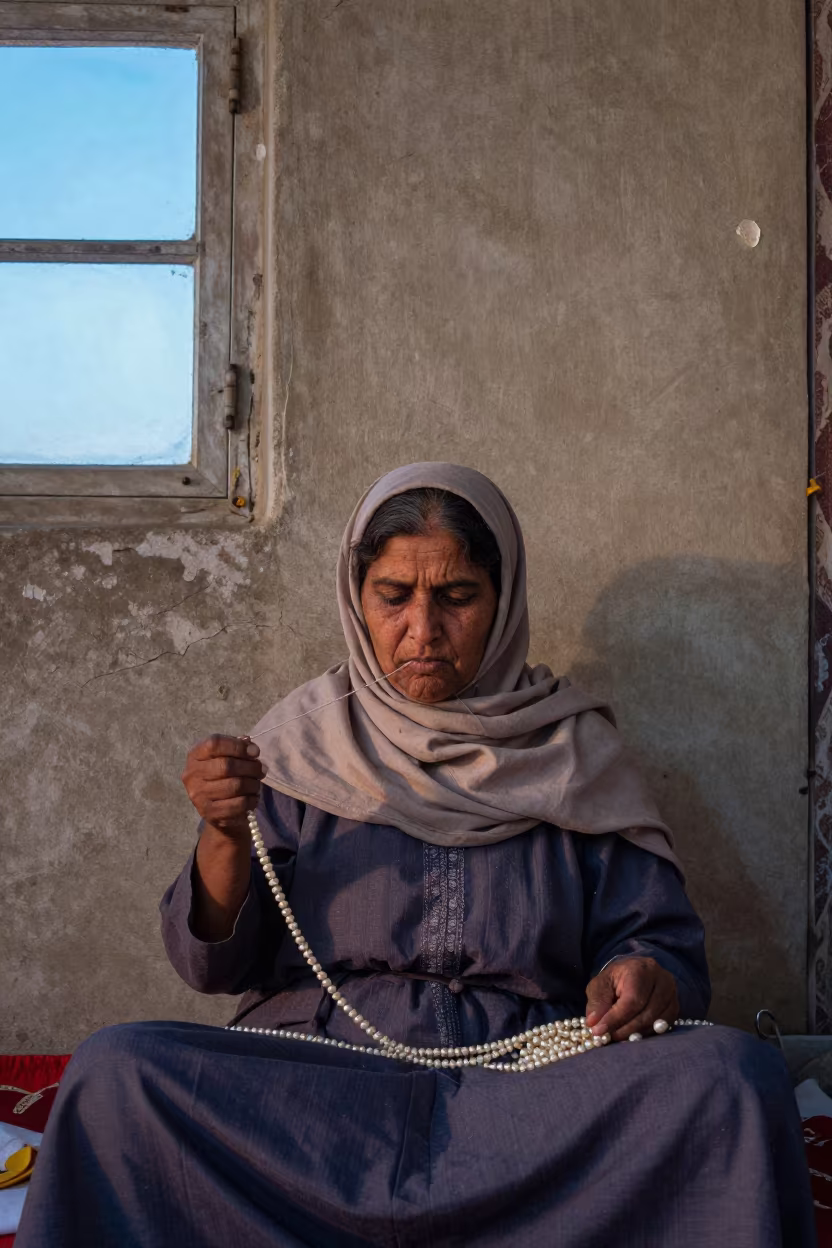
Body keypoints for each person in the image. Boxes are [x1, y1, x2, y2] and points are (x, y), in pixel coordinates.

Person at [16, 463, 815, 1247]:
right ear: (357, 600)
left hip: (529, 1103)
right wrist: (223, 834)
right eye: (393, 597)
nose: (422, 631)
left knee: (730, 1078)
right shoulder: (303, 747)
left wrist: (643, 974)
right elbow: (214, 968)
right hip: (322, 1100)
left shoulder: (574, 753)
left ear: (503, 604)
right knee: (119, 1070)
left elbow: (661, 946)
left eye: (457, 597)